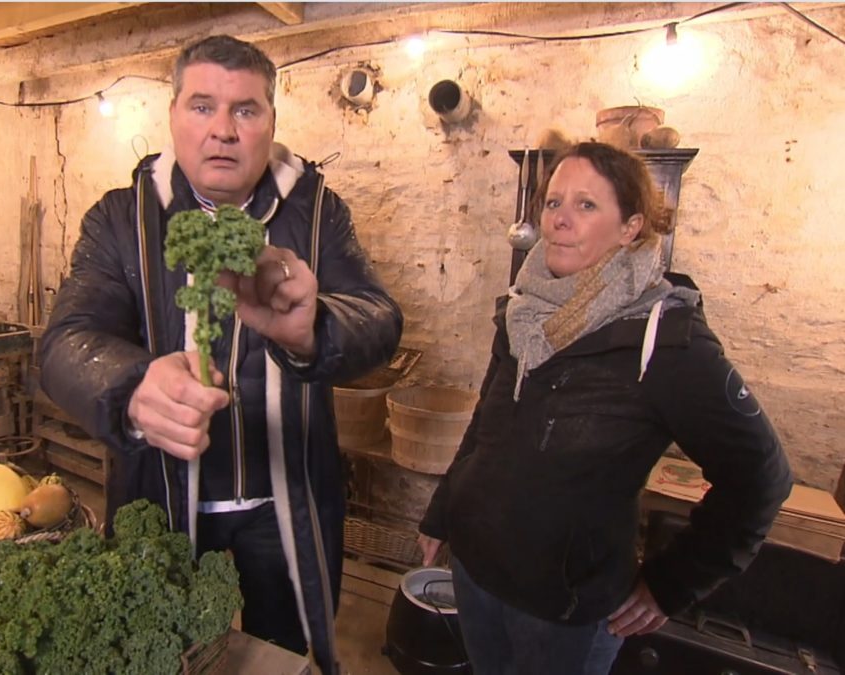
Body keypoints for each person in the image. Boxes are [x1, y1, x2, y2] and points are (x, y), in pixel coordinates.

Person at [39, 34, 402, 674]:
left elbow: (378, 316)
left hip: (284, 501)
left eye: (246, 110)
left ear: (270, 123)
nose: (223, 131)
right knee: (162, 654)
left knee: (285, 657)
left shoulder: (318, 215)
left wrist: (315, 328)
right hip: (160, 490)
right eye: (203, 107)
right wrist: (131, 387)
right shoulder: (121, 219)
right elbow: (68, 341)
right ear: (174, 115)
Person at [417, 141, 792, 675]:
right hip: (477, 573)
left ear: (630, 227)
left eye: (586, 205)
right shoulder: (523, 311)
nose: (559, 221)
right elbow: (487, 424)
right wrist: (443, 512)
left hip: (562, 612)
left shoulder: (666, 340)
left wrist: (671, 584)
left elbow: (762, 478)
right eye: (552, 203)